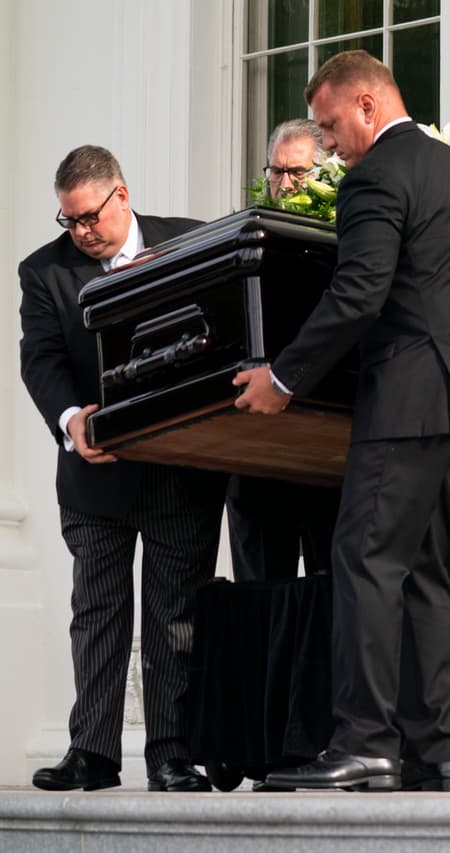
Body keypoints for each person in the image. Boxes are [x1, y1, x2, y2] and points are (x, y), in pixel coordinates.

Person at [237, 50, 450, 793]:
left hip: (410, 398)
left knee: (366, 562)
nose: (331, 141)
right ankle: (437, 748)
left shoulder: (376, 176)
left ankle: (366, 743)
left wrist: (281, 377)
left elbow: (359, 292)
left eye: (332, 124)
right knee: (429, 573)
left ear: (368, 106)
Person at [19, 145, 226, 792]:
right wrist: (72, 418)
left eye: (89, 216)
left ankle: (171, 752)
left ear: (122, 195)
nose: (81, 231)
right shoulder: (43, 271)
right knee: (98, 611)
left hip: (178, 467)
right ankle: (94, 752)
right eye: (69, 220)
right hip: (93, 470)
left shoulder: (190, 243)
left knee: (175, 613)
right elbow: (41, 359)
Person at [227, 118, 342, 583]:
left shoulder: (349, 240)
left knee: (331, 588)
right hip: (258, 448)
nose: (285, 184)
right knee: (257, 591)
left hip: (328, 440)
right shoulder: (249, 242)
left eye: (299, 172)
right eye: (276, 172)